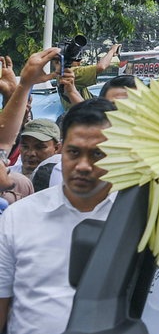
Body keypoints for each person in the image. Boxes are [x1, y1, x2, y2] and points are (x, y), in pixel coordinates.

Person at [0, 98, 117, 334]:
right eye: (74, 152)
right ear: (62, 149)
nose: (83, 165)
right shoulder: (18, 217)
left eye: (97, 154)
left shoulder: (142, 217)